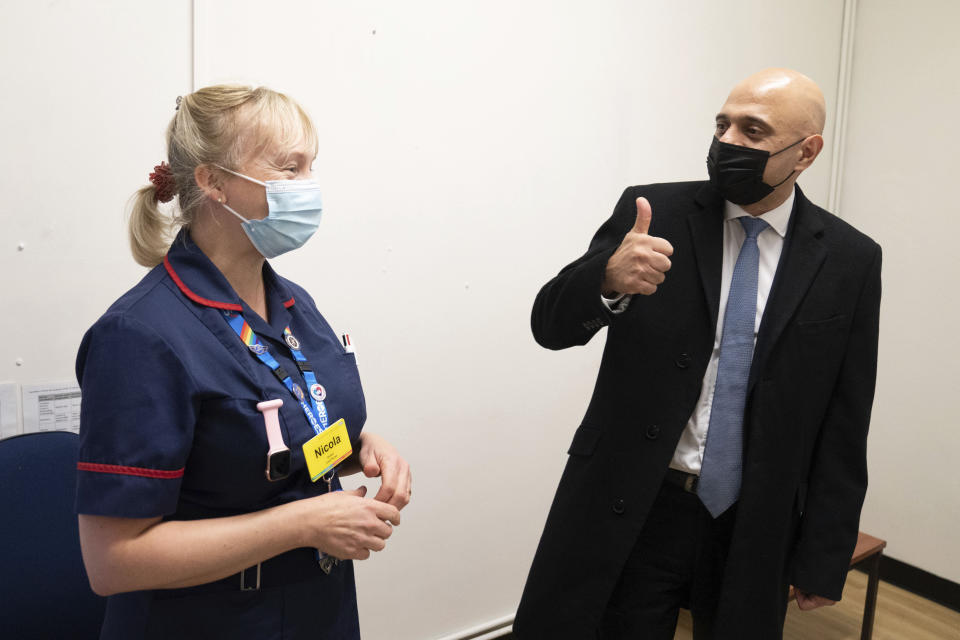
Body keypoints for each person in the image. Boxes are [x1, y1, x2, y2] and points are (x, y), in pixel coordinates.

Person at [513, 68, 881, 639]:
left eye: (753, 130)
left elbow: (845, 415)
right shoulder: (653, 213)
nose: (728, 142)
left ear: (806, 152)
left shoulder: (850, 260)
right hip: (636, 503)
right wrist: (606, 280)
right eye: (722, 124)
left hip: (754, 521)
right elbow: (550, 325)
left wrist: (824, 551)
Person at [75, 85, 412, 639]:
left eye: (312, 167)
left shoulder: (291, 302)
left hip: (315, 610)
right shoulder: (139, 336)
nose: (310, 187)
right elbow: (114, 561)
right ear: (213, 181)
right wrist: (304, 523)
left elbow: (266, 444)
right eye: (289, 168)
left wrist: (358, 446)